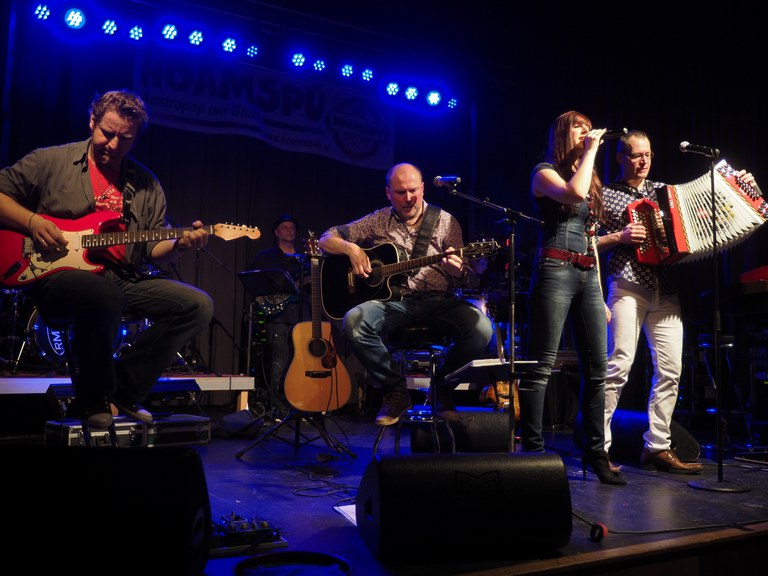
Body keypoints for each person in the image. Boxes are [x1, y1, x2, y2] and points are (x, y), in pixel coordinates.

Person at [0, 90, 214, 429]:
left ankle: (124, 390)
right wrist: (33, 221)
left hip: (121, 276)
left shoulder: (145, 184)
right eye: (107, 132)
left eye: (124, 138)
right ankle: (93, 399)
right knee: (102, 294)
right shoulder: (50, 161)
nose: (113, 144)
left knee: (198, 305)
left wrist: (181, 245)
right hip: (56, 276)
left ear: (136, 138)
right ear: (92, 121)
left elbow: (154, 248)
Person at [598, 130, 759, 474]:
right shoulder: (606, 194)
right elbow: (586, 242)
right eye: (636, 155)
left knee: (671, 370)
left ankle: (657, 446)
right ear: (620, 157)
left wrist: (742, 189)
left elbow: (705, 217)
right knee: (618, 366)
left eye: (648, 155)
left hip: (666, 289)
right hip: (627, 285)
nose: (643, 161)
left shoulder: (665, 192)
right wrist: (619, 236)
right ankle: (600, 449)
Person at [318, 162, 493, 426]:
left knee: (482, 328)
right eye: (401, 192)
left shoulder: (446, 222)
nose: (408, 197)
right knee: (354, 320)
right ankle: (396, 392)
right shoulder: (378, 220)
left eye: (413, 190)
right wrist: (351, 249)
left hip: (437, 301)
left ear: (423, 188)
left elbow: (466, 275)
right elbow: (325, 239)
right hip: (393, 303)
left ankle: (442, 388)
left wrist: (457, 270)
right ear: (388, 193)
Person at [520, 110, 625, 485]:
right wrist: (592, 149)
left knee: (598, 369)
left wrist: (599, 292)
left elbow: (592, 236)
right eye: (579, 127)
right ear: (563, 134)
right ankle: (532, 453)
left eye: (589, 127)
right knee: (541, 365)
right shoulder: (544, 172)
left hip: (587, 275)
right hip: (554, 269)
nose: (587, 131)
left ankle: (596, 454)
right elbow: (573, 193)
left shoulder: (588, 175)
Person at [246, 214, 309, 417]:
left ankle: (300, 407)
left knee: (301, 364)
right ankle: (279, 410)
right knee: (279, 363)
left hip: (302, 317)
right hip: (278, 318)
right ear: (276, 232)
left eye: (292, 227)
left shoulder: (305, 260)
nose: (289, 230)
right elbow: (253, 283)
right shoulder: (265, 257)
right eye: (284, 227)